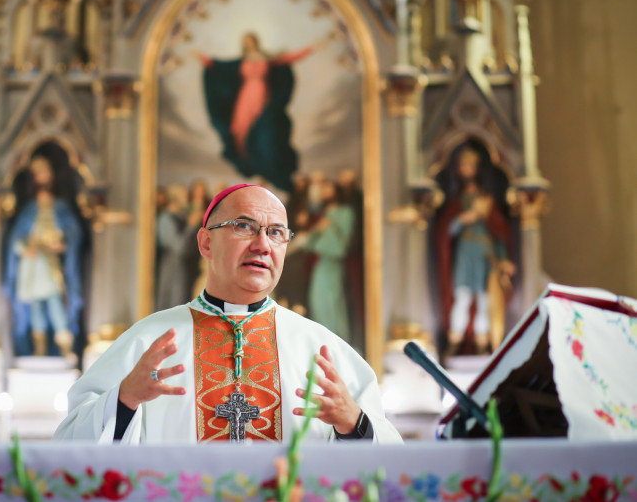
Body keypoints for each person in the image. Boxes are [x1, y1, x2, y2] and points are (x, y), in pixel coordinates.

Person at [54, 184, 401, 443]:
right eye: (244, 226)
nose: (262, 245)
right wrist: (124, 399)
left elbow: (388, 465)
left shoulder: (321, 348)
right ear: (206, 242)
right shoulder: (148, 342)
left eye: (276, 233)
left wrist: (353, 423)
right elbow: (70, 445)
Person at [194, 33, 325, 192]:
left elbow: (288, 58)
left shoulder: (267, 59)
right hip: (245, 98)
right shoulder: (241, 61)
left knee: (263, 130)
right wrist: (204, 58)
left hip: (262, 95)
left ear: (256, 42)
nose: (249, 44)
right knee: (240, 130)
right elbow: (220, 67)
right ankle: (250, 164)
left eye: (251, 41)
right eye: (246, 42)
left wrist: (311, 48)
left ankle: (266, 167)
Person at [434, 147, 514, 356]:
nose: (467, 170)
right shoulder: (457, 203)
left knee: (484, 300)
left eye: (470, 165)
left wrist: (503, 259)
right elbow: (446, 231)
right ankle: (454, 343)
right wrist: (462, 220)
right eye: (463, 165)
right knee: (462, 298)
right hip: (465, 254)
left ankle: (482, 344)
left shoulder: (488, 202)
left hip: (485, 256)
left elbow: (498, 233)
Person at [5, 153, 85, 359]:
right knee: (35, 308)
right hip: (32, 266)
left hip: (49, 264)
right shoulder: (28, 210)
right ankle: (38, 350)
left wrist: (63, 244)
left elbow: (73, 233)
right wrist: (25, 248)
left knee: (56, 304)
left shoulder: (61, 208)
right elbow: (16, 239)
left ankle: (65, 348)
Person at [303, 179, 355, 342]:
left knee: (332, 302)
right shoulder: (323, 213)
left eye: (328, 188)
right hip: (322, 263)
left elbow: (342, 244)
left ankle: (336, 340)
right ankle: (322, 340)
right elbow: (310, 242)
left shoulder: (345, 213)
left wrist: (329, 227)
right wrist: (317, 230)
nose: (324, 192)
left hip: (333, 263)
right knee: (317, 301)